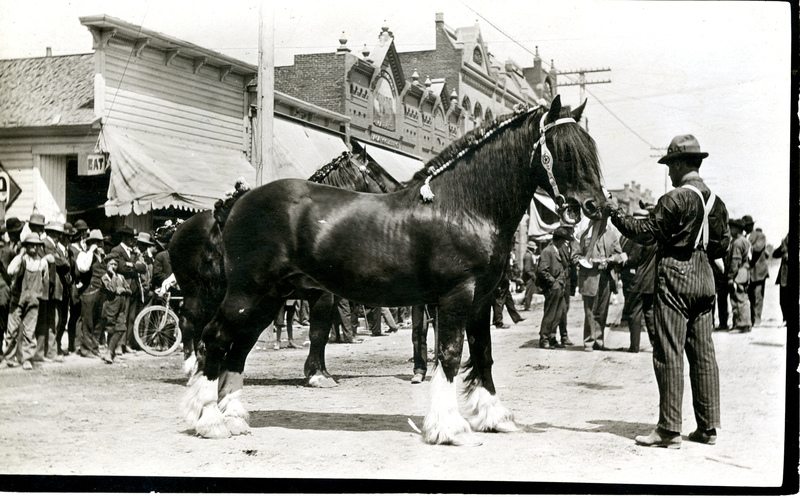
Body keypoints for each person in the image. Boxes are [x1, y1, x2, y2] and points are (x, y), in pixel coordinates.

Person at [605, 133, 730, 449]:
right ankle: (708, 428)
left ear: (680, 163)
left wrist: (614, 213)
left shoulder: (675, 199)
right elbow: (722, 245)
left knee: (668, 350)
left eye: (671, 165)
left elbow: (646, 234)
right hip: (705, 277)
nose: (670, 172)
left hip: (675, 273)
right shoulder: (716, 203)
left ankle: (669, 430)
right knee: (703, 353)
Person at [575, 221, 624, 352]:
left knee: (602, 311)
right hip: (590, 277)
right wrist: (589, 261)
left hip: (606, 277)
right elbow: (575, 256)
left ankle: (599, 340)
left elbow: (620, 255)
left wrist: (611, 259)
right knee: (590, 311)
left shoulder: (612, 235)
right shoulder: (584, 235)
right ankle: (589, 341)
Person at [3, 234, 49, 370]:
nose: (34, 247)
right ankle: (9, 358)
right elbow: (10, 270)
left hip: (33, 301)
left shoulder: (42, 263)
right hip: (17, 299)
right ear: (26, 246)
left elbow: (44, 280)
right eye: (31, 244)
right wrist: (21, 254)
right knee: (12, 330)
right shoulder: (21, 260)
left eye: (37, 245)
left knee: (29, 332)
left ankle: (27, 359)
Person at [623, 209, 657, 353]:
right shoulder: (655, 237)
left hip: (638, 282)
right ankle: (656, 345)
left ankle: (634, 346)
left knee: (634, 314)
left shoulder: (640, 238)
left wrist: (624, 260)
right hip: (652, 282)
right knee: (650, 313)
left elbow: (634, 259)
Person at [108, 226, 146, 354]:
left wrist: (132, 265)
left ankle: (127, 343)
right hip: (123, 286)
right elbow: (121, 267)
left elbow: (143, 268)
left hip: (134, 287)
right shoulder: (116, 250)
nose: (133, 241)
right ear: (124, 238)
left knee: (131, 317)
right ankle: (119, 344)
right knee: (122, 317)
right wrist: (134, 266)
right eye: (130, 238)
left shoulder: (134, 253)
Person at [34, 220, 67, 363]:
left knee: (53, 320)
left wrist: (62, 261)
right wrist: (63, 261)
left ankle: (49, 351)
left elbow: (62, 261)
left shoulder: (53, 246)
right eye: (57, 234)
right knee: (50, 320)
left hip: (54, 288)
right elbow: (61, 262)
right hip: (50, 288)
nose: (59, 237)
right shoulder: (46, 244)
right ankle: (49, 352)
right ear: (51, 233)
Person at [536, 226, 572, 349]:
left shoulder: (556, 250)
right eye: (564, 240)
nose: (564, 242)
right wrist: (553, 282)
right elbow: (542, 270)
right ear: (559, 239)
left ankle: (552, 338)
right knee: (550, 314)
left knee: (559, 314)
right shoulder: (548, 251)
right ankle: (544, 339)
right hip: (553, 288)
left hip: (560, 287)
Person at [75, 230, 106, 359]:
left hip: (100, 292)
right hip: (89, 291)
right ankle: (85, 349)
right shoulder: (83, 255)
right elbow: (84, 268)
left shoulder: (102, 257)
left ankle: (94, 347)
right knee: (88, 322)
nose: (98, 245)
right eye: (95, 242)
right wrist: (91, 252)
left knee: (99, 321)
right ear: (90, 243)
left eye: (99, 242)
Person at [100, 257, 131, 364]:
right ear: (107, 265)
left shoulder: (121, 277)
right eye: (111, 264)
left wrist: (122, 289)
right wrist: (113, 276)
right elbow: (111, 289)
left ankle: (109, 352)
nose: (113, 267)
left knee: (121, 328)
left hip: (121, 306)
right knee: (111, 329)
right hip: (111, 306)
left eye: (115, 265)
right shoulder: (105, 277)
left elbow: (129, 290)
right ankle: (110, 354)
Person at [66, 220, 90, 354]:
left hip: (79, 285)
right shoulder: (74, 250)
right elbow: (76, 270)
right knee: (76, 315)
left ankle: (75, 343)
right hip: (77, 285)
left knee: (78, 315)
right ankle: (73, 344)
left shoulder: (77, 249)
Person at [742, 215, 768, 327]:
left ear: (752, 225)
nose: (747, 227)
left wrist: (744, 245)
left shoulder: (760, 235)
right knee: (750, 296)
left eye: (748, 225)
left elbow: (757, 248)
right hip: (748, 272)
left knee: (758, 295)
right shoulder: (743, 237)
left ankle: (757, 319)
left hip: (759, 271)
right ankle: (752, 319)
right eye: (745, 226)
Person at [727, 218, 752, 333]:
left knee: (738, 298)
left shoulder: (737, 242)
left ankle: (742, 325)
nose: (729, 229)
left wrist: (731, 277)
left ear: (736, 229)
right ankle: (742, 323)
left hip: (739, 273)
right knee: (743, 297)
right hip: (745, 271)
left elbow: (735, 261)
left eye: (731, 227)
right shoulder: (745, 241)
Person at [492, 255, 525, 329]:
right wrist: (515, 279)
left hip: (504, 282)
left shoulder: (505, 255)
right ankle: (498, 322)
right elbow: (504, 271)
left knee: (509, 300)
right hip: (501, 282)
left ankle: (516, 317)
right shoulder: (502, 256)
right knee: (499, 301)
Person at [410, 304, 437, 383]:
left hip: (438, 295)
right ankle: (419, 369)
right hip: (419, 297)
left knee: (442, 331)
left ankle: (443, 369)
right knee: (418, 331)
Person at [772, 233, 789, 326]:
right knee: (783, 299)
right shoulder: (786, 241)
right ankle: (786, 319)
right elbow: (775, 254)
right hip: (785, 275)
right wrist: (783, 248)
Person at [521, 237, 540, 311]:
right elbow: (527, 269)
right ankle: (527, 306)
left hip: (530, 276)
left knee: (530, 292)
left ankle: (526, 304)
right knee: (529, 292)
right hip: (529, 277)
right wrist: (533, 276)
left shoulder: (529, 255)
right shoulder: (528, 256)